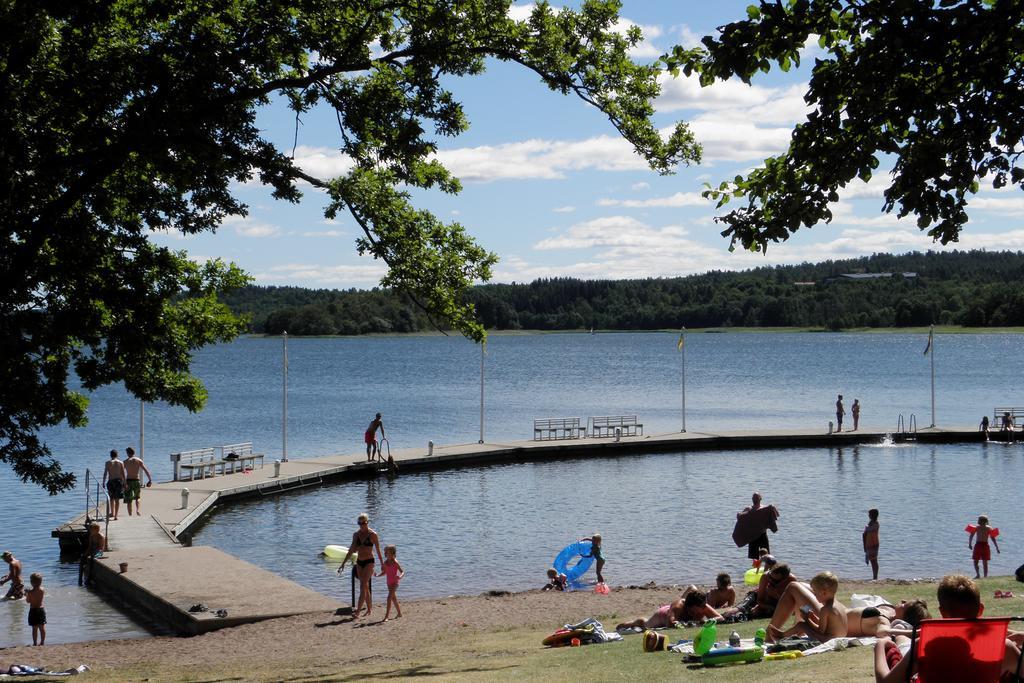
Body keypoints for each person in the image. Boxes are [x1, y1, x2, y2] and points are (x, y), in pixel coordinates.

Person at [873, 574, 1022, 683]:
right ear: (980, 609)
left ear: (942, 612)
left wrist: (880, 646)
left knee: (892, 650)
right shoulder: (1003, 647)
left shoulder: (925, 646)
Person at [766, 571, 847, 643]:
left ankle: (781, 635)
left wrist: (807, 619)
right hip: (839, 637)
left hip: (827, 639)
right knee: (803, 624)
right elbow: (828, 626)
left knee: (801, 625)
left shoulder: (825, 609)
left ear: (824, 593)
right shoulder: (838, 605)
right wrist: (813, 617)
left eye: (815, 593)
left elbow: (820, 631)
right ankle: (782, 634)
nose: (815, 595)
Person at [338, 513, 384, 619]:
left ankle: (358, 611)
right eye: (360, 523)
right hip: (359, 562)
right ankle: (369, 608)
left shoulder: (373, 534)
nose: (362, 525)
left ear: (367, 522)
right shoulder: (356, 535)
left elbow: (378, 550)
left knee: (363, 585)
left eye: (364, 523)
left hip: (369, 561)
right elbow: (351, 550)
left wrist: (382, 564)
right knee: (365, 586)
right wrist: (343, 564)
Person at [736, 491, 779, 563]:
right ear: (752, 499)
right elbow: (740, 519)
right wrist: (740, 515)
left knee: (766, 554)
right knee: (754, 556)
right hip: (752, 536)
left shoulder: (765, 509)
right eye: (754, 497)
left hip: (763, 534)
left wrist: (772, 507)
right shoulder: (748, 509)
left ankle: (767, 567)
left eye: (757, 497)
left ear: (760, 498)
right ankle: (755, 567)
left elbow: (774, 514)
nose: (755, 499)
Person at [376, 544, 404, 621]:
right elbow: (385, 572)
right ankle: (399, 613)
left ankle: (386, 617)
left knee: (389, 598)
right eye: (386, 552)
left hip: (395, 582)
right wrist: (378, 575)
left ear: (392, 554)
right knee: (394, 599)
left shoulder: (395, 562)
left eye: (388, 552)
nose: (386, 554)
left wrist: (400, 576)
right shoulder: (385, 563)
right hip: (388, 583)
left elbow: (402, 572)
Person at [122, 447, 153, 516]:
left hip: (128, 481)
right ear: (134, 453)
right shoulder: (139, 460)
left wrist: (123, 483)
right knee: (137, 497)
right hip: (136, 481)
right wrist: (150, 480)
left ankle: (130, 515)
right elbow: (146, 470)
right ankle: (137, 510)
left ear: (127, 453)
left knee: (129, 500)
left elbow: (122, 473)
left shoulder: (125, 462)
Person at [968, 514, 1000, 578]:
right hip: (985, 545)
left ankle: (978, 574)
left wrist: (970, 544)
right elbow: (993, 538)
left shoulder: (977, 527)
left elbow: (971, 536)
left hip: (978, 545)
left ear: (979, 521)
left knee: (976, 561)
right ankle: (985, 576)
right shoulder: (989, 528)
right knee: (985, 562)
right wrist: (997, 547)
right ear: (986, 521)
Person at [102, 449, 126, 520]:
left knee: (111, 498)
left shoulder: (107, 463)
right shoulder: (121, 462)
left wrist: (103, 482)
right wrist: (125, 483)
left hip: (111, 481)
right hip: (118, 481)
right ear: (117, 455)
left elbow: (105, 473)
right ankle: (116, 516)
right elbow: (123, 474)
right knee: (117, 499)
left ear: (110, 455)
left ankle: (112, 513)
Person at [25, 572, 45, 646]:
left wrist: (26, 594)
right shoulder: (42, 590)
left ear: (31, 582)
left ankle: (35, 643)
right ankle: (42, 642)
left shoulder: (30, 592)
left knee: (34, 628)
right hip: (41, 610)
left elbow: (28, 601)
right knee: (42, 627)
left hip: (33, 610)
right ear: (40, 582)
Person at [864, 508, 880, 580]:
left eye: (870, 514)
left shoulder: (876, 524)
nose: (868, 515)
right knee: (871, 560)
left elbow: (868, 530)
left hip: (874, 544)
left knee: (874, 561)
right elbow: (866, 531)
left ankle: (875, 577)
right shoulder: (870, 523)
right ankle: (874, 576)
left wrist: (866, 527)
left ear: (873, 515)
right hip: (869, 544)